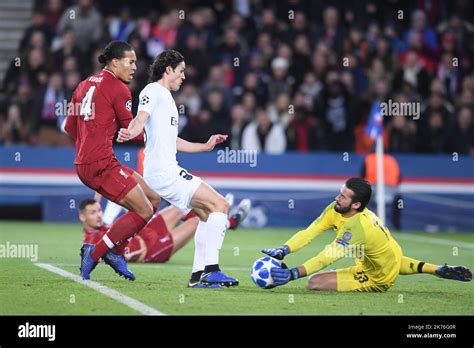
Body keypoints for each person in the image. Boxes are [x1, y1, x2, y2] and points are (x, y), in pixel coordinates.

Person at [117, 50, 240, 288]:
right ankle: (211, 271)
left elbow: (172, 141)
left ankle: (198, 275)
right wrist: (131, 131)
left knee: (206, 214)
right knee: (221, 205)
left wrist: (204, 147)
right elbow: (140, 118)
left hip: (165, 170)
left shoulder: (166, 98)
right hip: (164, 172)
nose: (184, 76)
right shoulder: (153, 91)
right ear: (168, 70)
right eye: (181, 71)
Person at [262, 177, 472, 292]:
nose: (337, 198)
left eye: (343, 196)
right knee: (385, 258)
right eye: (339, 192)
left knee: (314, 283)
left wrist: (293, 274)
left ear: (356, 204)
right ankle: (437, 269)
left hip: (377, 276)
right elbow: (310, 232)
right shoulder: (336, 209)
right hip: (390, 256)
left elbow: (327, 256)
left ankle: (380, 282)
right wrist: (285, 248)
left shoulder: (357, 227)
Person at [64, 40, 161, 281]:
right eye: (130, 61)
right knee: (144, 210)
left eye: (136, 62)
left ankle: (116, 250)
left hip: (89, 162)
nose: (135, 67)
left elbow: (69, 128)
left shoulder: (83, 85)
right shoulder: (119, 89)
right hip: (100, 164)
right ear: (115, 62)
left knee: (152, 198)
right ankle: (96, 252)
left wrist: (90, 144)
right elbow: (133, 130)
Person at [79, 194, 250, 264]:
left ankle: (219, 211)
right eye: (93, 213)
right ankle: (229, 222)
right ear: (82, 217)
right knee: (197, 221)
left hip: (146, 232)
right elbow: (104, 257)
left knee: (181, 206)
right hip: (152, 249)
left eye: (98, 211)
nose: (99, 215)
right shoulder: (91, 241)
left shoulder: (104, 226)